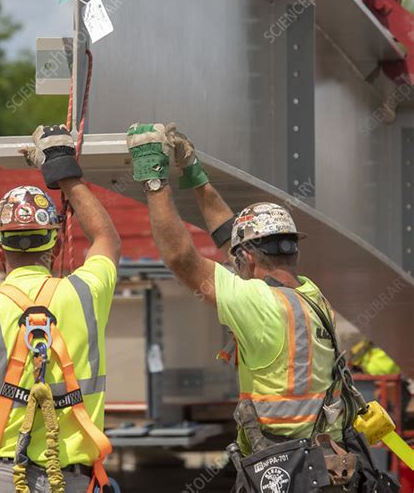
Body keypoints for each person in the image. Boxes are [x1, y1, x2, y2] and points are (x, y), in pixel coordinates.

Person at [126, 123, 399, 493]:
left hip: (288, 468)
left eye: (236, 259)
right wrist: (194, 173)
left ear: (249, 257)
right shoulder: (309, 293)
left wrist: (154, 180)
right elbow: (230, 235)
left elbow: (180, 258)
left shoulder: (257, 305)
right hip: (326, 463)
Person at [0, 125, 120, 493]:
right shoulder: (85, 294)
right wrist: (61, 165)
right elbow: (106, 238)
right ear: (55, 249)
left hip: (4, 478)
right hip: (72, 479)